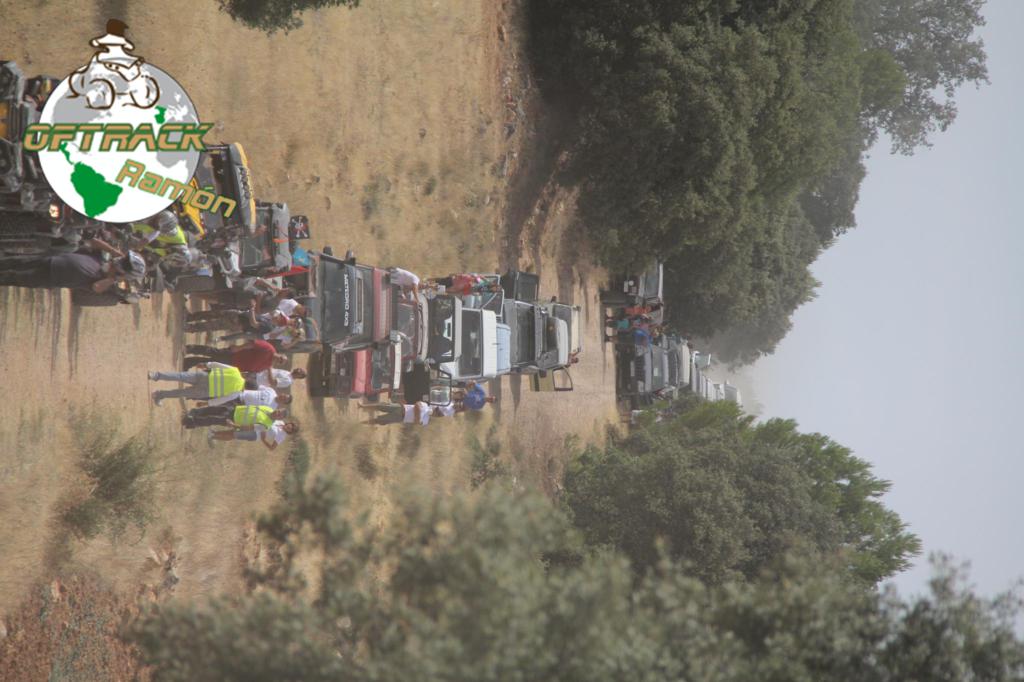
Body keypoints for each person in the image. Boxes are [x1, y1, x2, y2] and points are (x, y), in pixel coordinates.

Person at [0, 243, 145, 292]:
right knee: (12, 261)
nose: (122, 260)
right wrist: (112, 250)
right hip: (50, 258)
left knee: (13, 276)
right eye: (125, 259)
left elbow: (96, 287)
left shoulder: (105, 281)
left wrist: (114, 278)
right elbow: (94, 241)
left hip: (49, 277)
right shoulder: (102, 258)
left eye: (126, 263)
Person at [149, 362, 247, 406]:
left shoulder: (236, 371)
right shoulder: (236, 393)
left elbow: (219, 365)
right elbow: (221, 400)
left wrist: (206, 364)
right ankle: (159, 395)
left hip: (204, 377)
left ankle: (155, 375)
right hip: (204, 391)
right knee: (181, 393)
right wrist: (207, 403)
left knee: (180, 376)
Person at [207, 405, 299, 451]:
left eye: (290, 429)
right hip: (253, 425)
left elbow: (272, 448)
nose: (289, 427)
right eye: (290, 425)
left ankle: (212, 436)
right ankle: (214, 434)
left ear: (290, 431)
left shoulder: (282, 436)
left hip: (255, 434)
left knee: (233, 435)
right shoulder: (280, 422)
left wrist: (263, 440)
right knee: (233, 431)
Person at [182, 340, 285, 373]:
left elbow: (253, 370)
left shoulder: (268, 365)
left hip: (233, 365)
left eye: (280, 362)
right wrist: (239, 348)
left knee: (209, 363)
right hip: (234, 354)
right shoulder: (269, 349)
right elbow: (253, 344)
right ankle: (190, 348)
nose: (279, 360)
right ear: (280, 354)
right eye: (281, 358)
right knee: (213, 352)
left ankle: (188, 362)